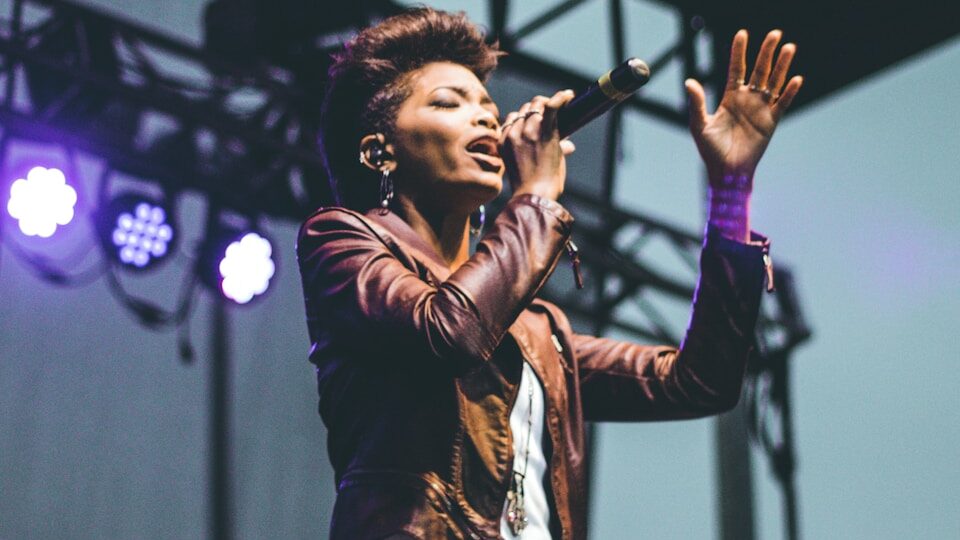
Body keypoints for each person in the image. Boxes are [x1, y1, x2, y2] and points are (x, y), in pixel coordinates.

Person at [296, 7, 801, 539]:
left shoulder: (540, 332)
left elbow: (698, 383)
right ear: (380, 151)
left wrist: (730, 191)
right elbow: (448, 332)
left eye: (489, 108)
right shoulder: (340, 240)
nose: (486, 118)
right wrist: (534, 196)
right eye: (449, 103)